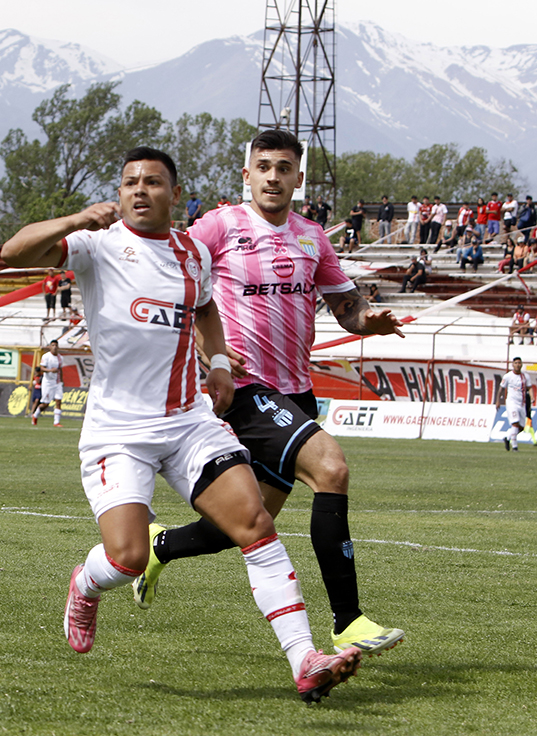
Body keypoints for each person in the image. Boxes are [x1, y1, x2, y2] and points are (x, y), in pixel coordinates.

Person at [0, 145, 364, 702]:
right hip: (119, 429)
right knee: (128, 556)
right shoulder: (96, 247)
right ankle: (86, 584)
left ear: (174, 193)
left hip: (189, 420)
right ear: (118, 194)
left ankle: (304, 657)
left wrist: (218, 364)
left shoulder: (192, 252)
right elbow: (12, 252)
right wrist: (76, 217)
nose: (139, 191)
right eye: (129, 183)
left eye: (152, 182)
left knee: (255, 523)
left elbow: (206, 310)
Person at [132, 131, 405, 659]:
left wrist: (367, 321)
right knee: (331, 467)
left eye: (284, 168)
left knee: (245, 521)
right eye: (263, 167)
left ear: (298, 179)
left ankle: (157, 547)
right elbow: (169, 280)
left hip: (296, 395)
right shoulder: (218, 226)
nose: (273, 176)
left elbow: (346, 308)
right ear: (247, 176)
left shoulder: (311, 238)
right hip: (245, 390)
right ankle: (347, 622)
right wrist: (205, 350)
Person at [496, 357, 530, 452]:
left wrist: (532, 397)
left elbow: (529, 387)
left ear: (522, 364)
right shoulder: (508, 376)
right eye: (516, 363)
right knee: (515, 423)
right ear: (513, 364)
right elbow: (501, 389)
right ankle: (514, 447)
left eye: (519, 363)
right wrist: (498, 400)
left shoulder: (525, 376)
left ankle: (507, 438)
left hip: (522, 404)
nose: (518, 364)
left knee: (522, 427)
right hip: (511, 403)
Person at [31, 339, 64, 427]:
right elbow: (42, 368)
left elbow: (60, 369)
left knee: (58, 401)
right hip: (48, 382)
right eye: (52, 345)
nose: (54, 347)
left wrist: (61, 381)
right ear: (50, 347)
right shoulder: (46, 356)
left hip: (57, 383)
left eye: (56, 345)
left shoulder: (60, 358)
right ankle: (35, 414)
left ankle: (56, 422)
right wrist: (50, 370)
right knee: (45, 404)